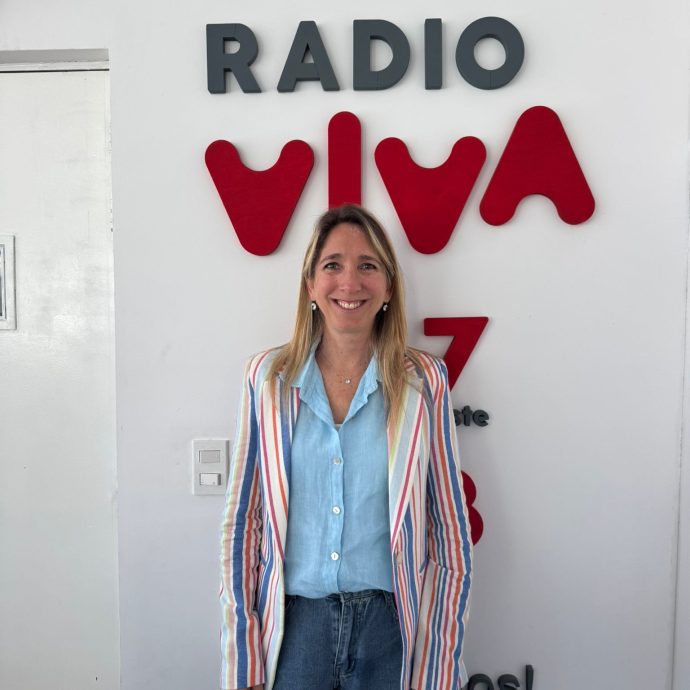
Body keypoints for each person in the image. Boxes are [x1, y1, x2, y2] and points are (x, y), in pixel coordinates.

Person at [219, 204, 472, 690]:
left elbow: (448, 528)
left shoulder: (424, 380)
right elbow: (242, 523)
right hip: (294, 631)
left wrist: (438, 662)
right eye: (332, 264)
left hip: (391, 630)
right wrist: (243, 659)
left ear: (389, 286)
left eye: (368, 265)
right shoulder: (267, 379)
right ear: (310, 285)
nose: (350, 282)